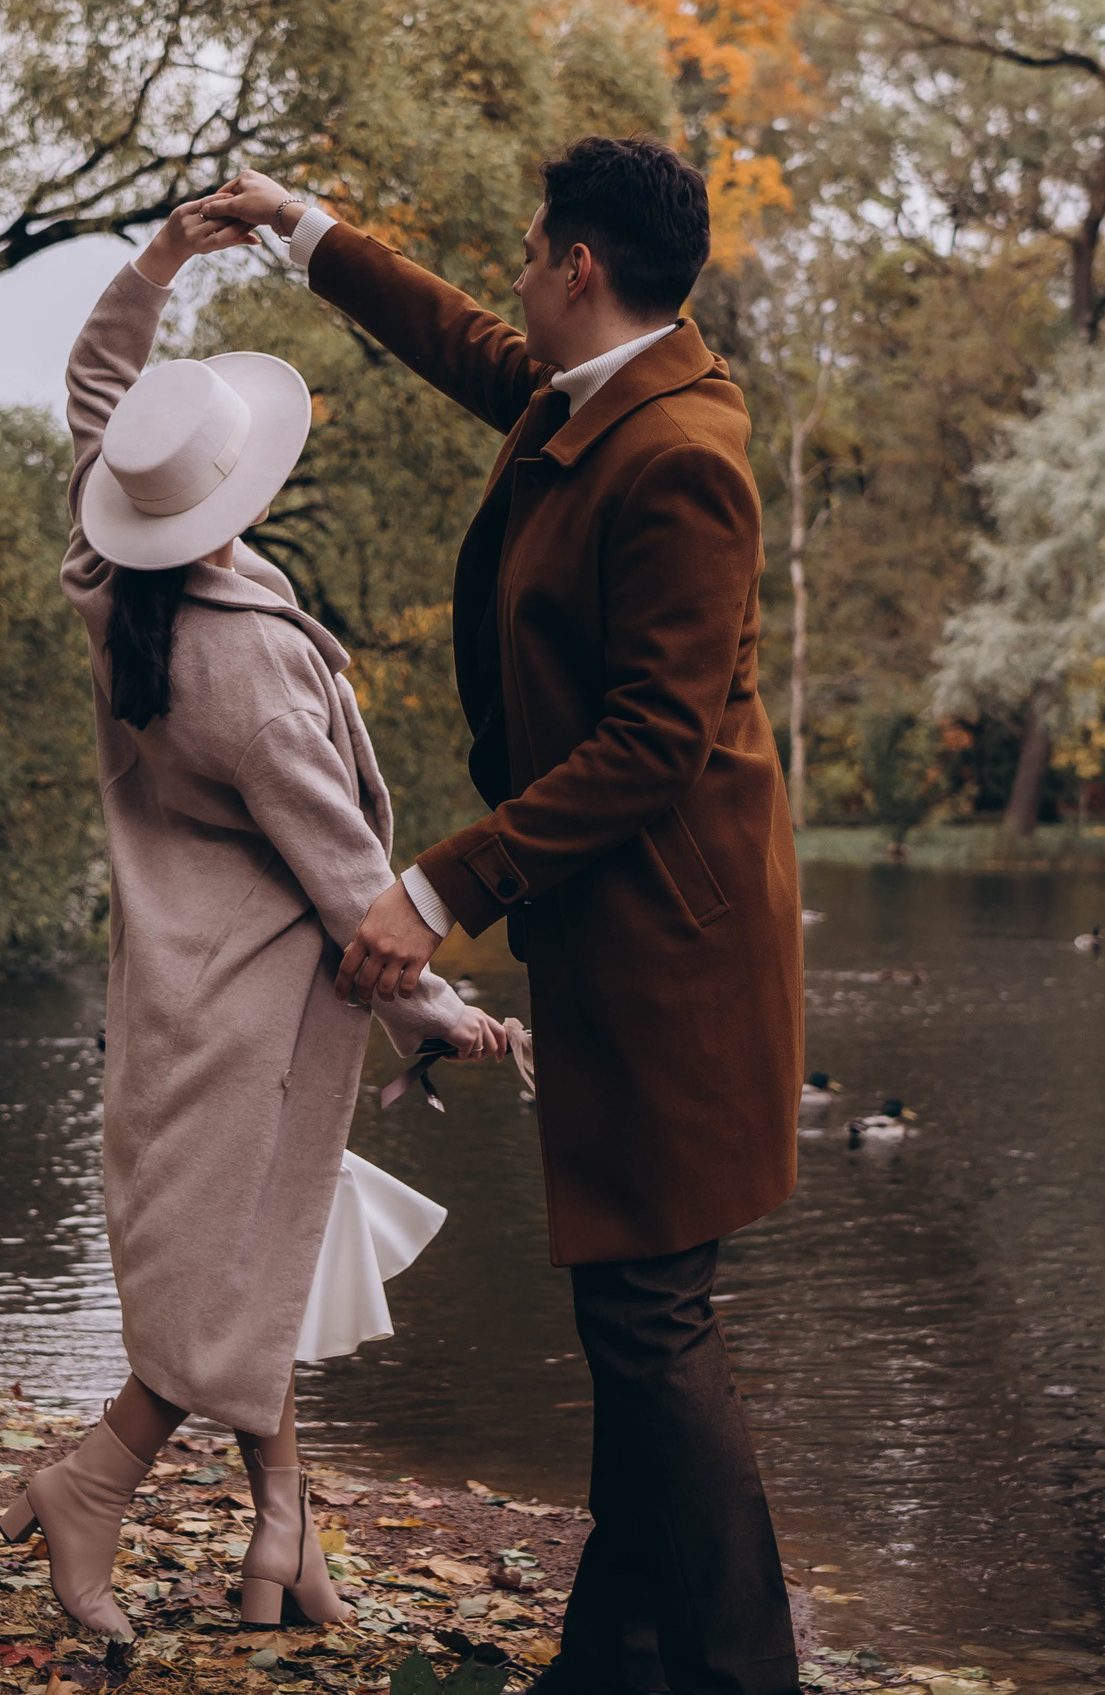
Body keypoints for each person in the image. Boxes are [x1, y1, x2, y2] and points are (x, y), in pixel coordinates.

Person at [203, 140, 805, 1695]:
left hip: (678, 946)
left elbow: (654, 743)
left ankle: (745, 1679)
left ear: (582, 268)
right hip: (614, 929)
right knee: (636, 1311)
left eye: (533, 247)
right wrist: (308, 232)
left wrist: (435, 886)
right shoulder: (588, 394)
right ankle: (612, 1666)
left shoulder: (684, 459)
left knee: (656, 1320)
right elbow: (465, 340)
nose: (518, 270)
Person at [2, 196, 508, 1642]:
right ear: (243, 489)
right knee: (234, 1280)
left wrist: (161, 259)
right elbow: (349, 873)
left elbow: (98, 391)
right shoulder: (248, 672)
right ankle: (91, 1485)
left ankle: (283, 1539)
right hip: (263, 1009)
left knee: (262, 1258)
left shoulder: (117, 578)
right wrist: (442, 1014)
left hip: (178, 982)